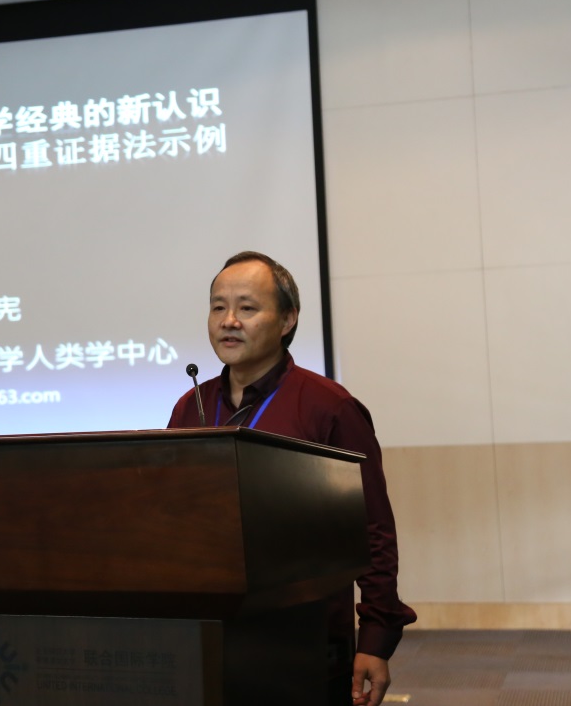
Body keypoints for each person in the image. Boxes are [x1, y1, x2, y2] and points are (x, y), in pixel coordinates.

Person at [168, 251, 416, 706]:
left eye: (247, 307)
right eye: (219, 307)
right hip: (209, 637)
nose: (228, 321)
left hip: (305, 642)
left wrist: (376, 636)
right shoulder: (190, 408)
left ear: (287, 320)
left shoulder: (329, 407)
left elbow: (372, 529)